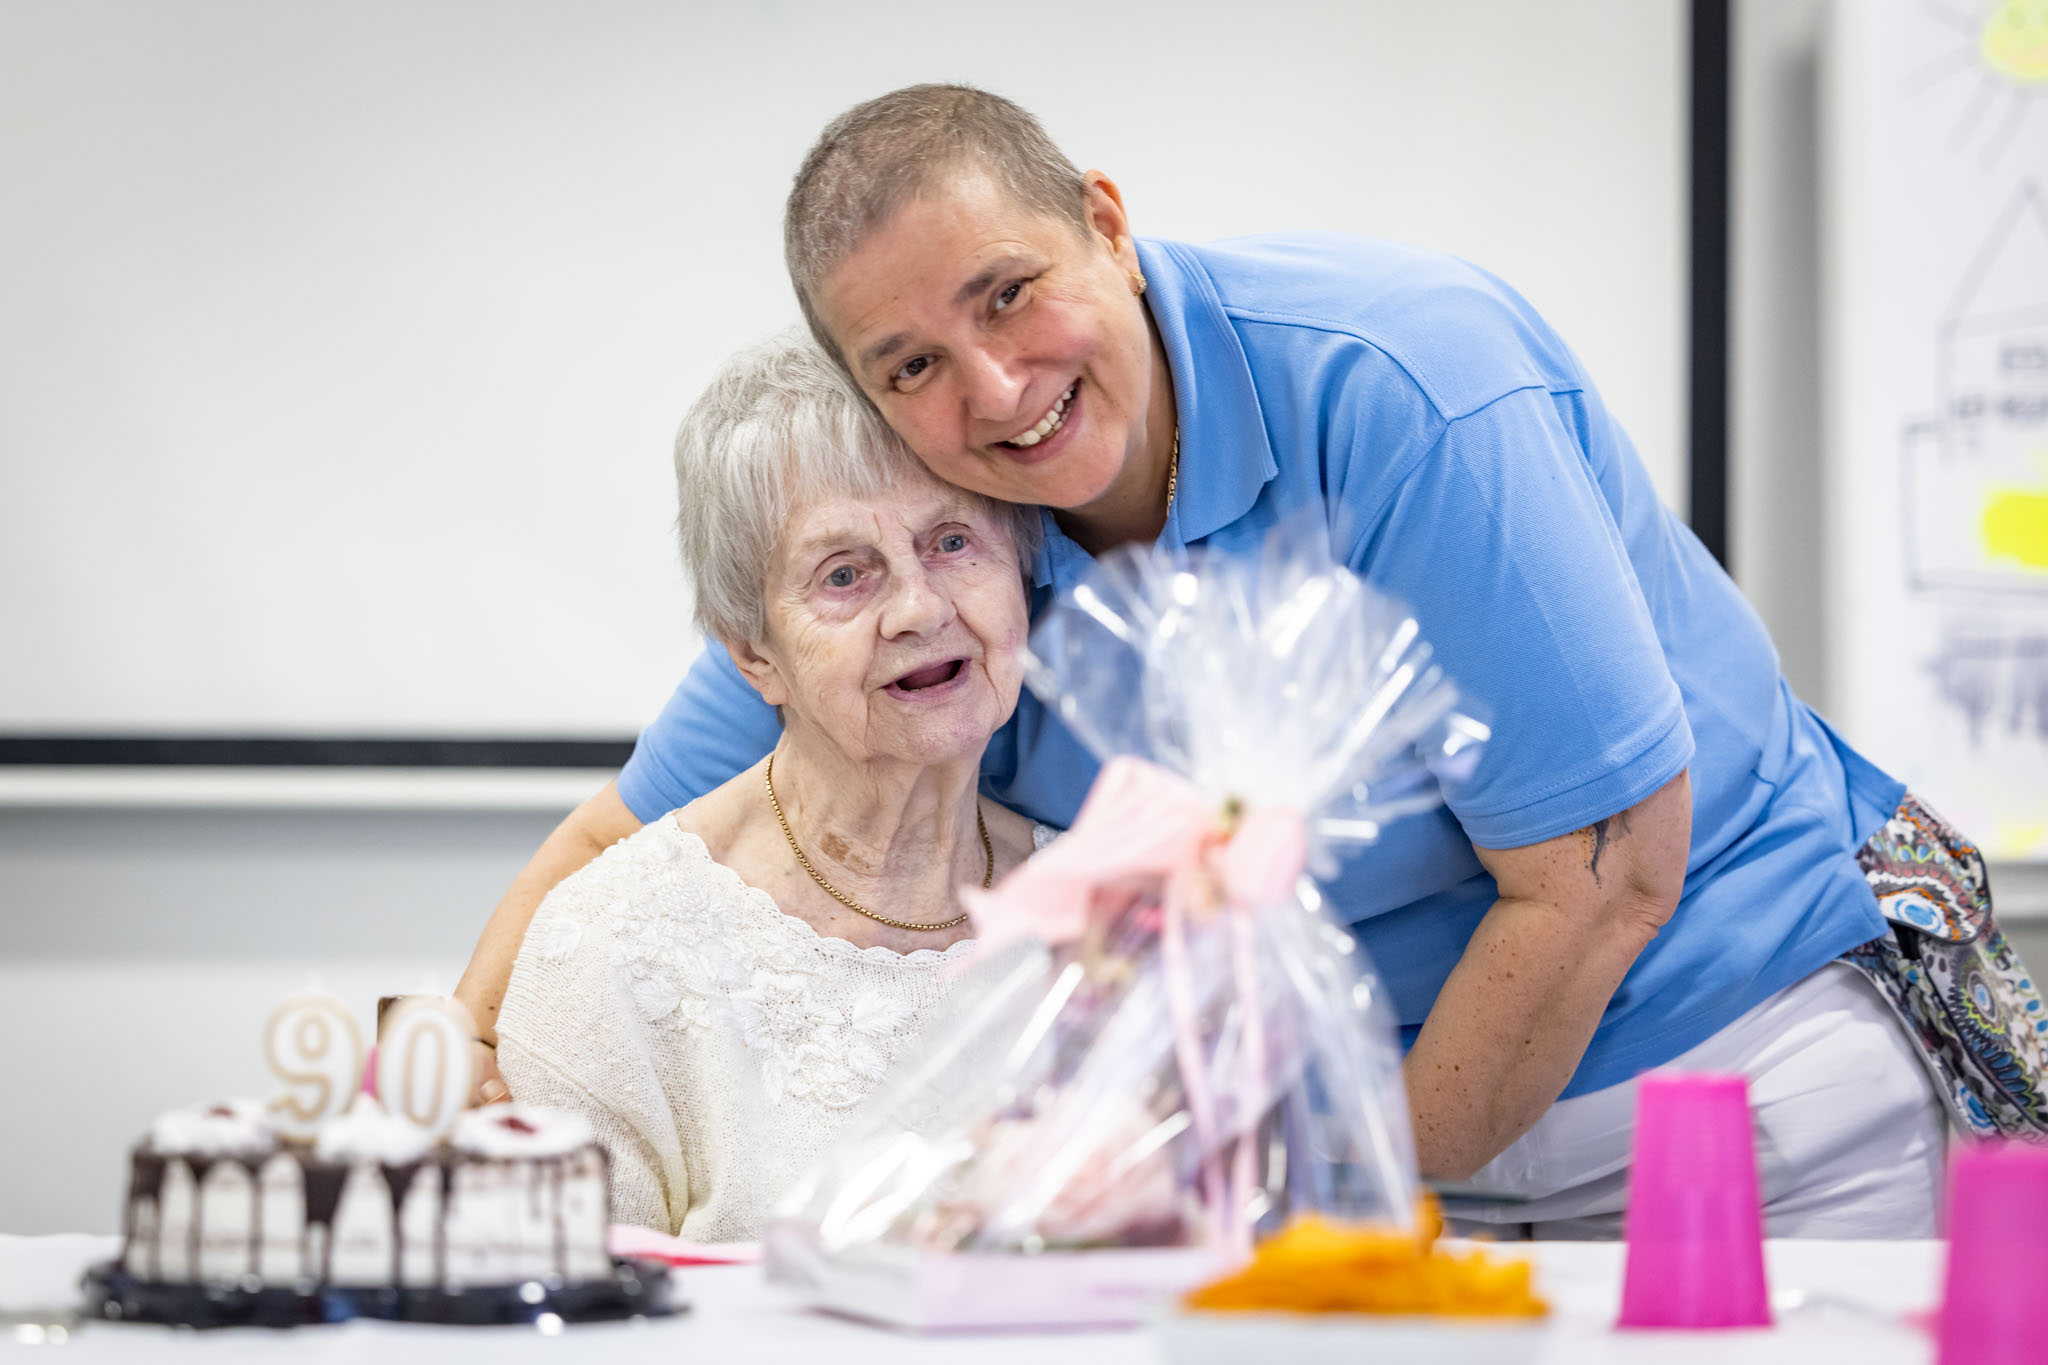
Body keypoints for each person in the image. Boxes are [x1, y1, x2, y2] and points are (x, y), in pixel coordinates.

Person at [463, 85, 1965, 1236]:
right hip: (1383, 1153)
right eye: (911, 364)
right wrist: (456, 1047)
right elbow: (629, 835)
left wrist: (1340, 1214)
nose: (995, 386)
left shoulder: (1400, 386)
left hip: (1724, 1097)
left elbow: (1605, 878)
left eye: (1008, 293)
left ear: (1108, 224)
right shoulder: (957, 530)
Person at [491, 332, 1050, 1238]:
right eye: (844, 574)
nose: (919, 607)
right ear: (754, 655)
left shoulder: (1113, 926)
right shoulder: (615, 950)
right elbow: (566, 1303)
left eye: (953, 541)